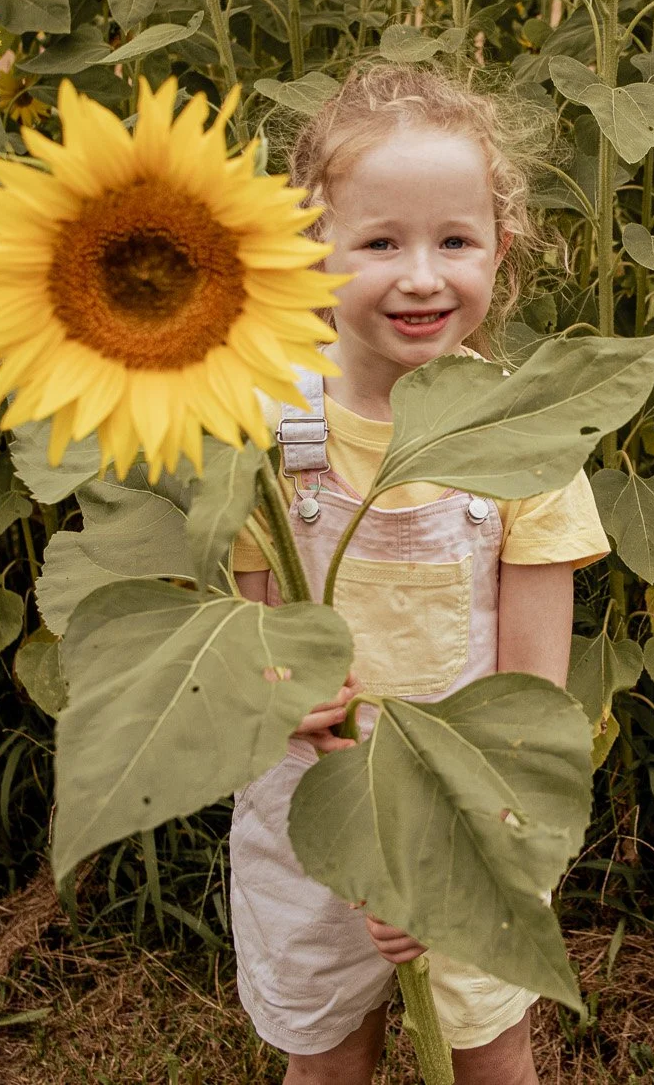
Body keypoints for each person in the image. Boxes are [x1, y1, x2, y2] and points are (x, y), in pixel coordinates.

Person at [228, 63, 608, 1085]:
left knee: (491, 1051)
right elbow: (243, 628)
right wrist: (282, 697)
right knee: (327, 1057)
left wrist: (442, 850)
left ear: (502, 248)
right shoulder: (266, 430)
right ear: (312, 249)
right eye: (381, 242)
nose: (422, 276)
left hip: (471, 811)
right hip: (311, 810)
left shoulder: (523, 431)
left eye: (455, 241)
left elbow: (528, 697)